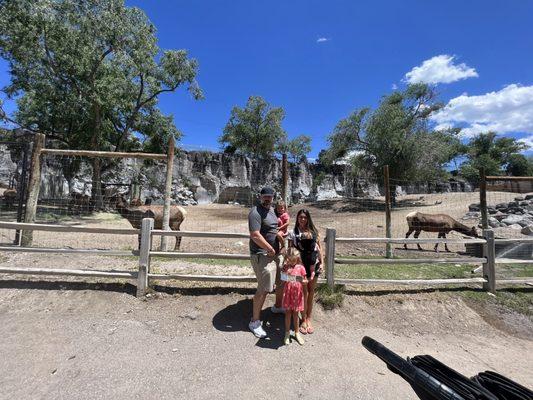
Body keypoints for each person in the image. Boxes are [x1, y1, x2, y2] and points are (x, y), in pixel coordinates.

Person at [248, 187, 285, 338]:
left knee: (281, 281)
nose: (268, 199)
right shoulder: (255, 212)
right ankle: (254, 322)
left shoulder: (271, 211)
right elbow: (255, 235)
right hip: (262, 254)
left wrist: (280, 238)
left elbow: (273, 228)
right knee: (264, 288)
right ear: (260, 196)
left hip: (275, 253)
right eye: (265, 197)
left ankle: (277, 307)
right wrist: (270, 248)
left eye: (270, 197)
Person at [289, 209, 324, 335]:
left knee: (311, 291)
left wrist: (322, 264)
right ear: (297, 218)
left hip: (314, 264)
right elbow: (291, 250)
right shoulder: (294, 233)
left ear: (308, 218)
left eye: (304, 217)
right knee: (303, 292)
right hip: (300, 267)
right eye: (300, 217)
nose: (302, 219)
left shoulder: (314, 232)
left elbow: (319, 248)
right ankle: (303, 319)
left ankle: (309, 318)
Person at [281, 249, 306, 345]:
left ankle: (297, 333)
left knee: (296, 314)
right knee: (288, 313)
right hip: (288, 293)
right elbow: (283, 279)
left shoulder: (301, 268)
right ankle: (287, 333)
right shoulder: (285, 267)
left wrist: (304, 281)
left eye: (294, 260)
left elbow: (304, 279)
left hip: (297, 294)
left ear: (297, 259)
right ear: (287, 259)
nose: (291, 263)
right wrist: (287, 275)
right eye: (290, 260)